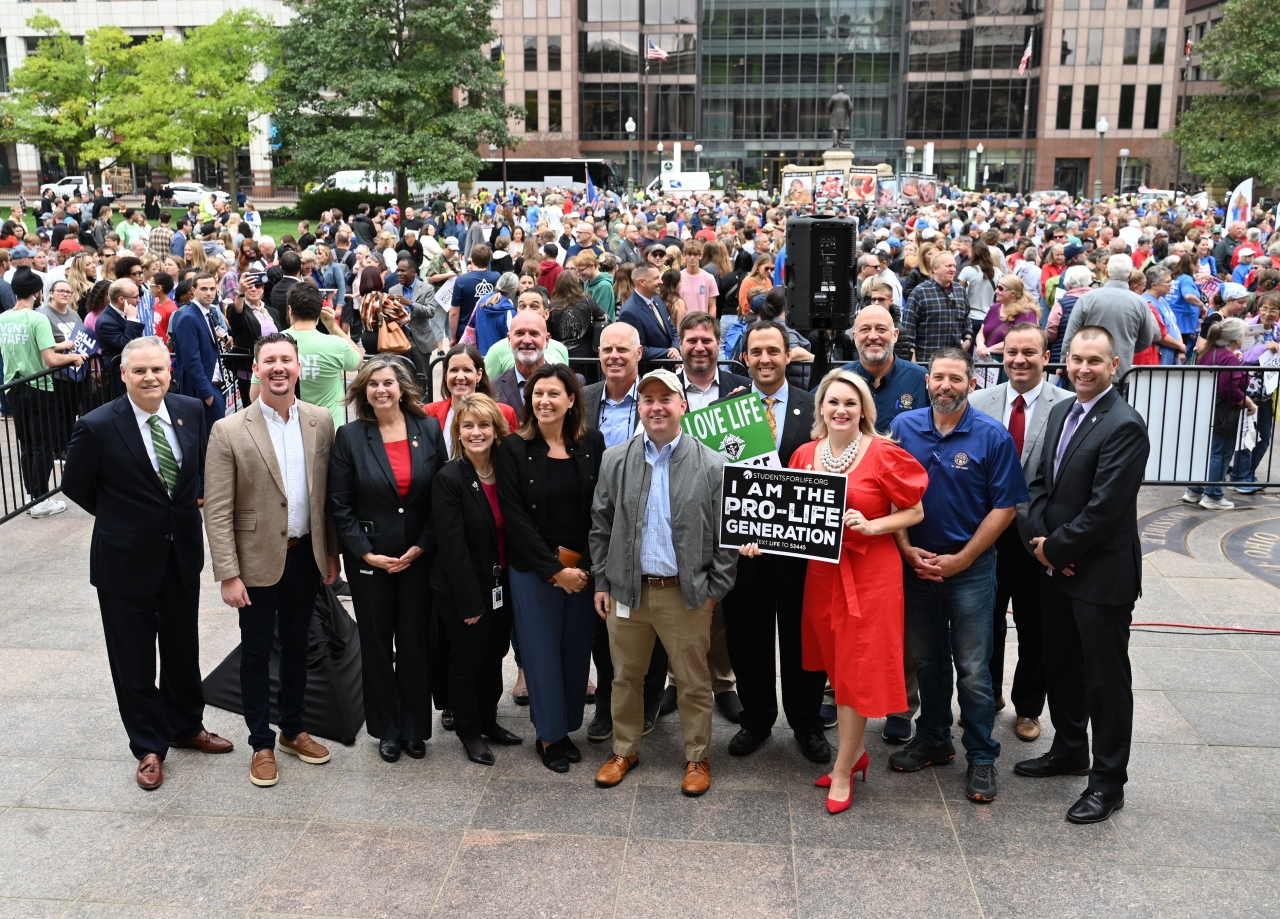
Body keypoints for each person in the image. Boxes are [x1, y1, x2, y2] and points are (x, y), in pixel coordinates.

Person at [62, 337, 233, 789]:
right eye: (139, 371)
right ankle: (148, 747)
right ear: (123, 375)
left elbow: (193, 474)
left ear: (169, 371)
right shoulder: (97, 425)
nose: (150, 378)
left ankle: (185, 727)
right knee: (133, 659)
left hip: (180, 554)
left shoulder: (190, 410)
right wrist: (123, 518)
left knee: (182, 648)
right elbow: (77, 486)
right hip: (124, 562)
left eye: (157, 369)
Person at [1018, 326, 1149, 825]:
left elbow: (1106, 509)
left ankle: (1108, 782)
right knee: (1062, 667)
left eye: (1095, 361)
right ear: (1065, 361)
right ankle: (1069, 749)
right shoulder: (1058, 411)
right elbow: (1036, 487)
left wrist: (1057, 548)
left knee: (1105, 682)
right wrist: (1044, 547)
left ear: (1114, 366)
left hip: (1101, 576)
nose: (1083, 369)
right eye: (1076, 359)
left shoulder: (1124, 424)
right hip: (1057, 567)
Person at [780, 369, 927, 812]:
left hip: (871, 575)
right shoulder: (805, 454)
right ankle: (856, 753)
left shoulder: (883, 453)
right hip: (823, 577)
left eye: (850, 402)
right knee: (836, 668)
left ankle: (844, 768)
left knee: (856, 672)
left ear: (864, 408)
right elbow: (788, 518)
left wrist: (872, 525)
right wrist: (757, 538)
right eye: (833, 402)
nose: (841, 410)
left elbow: (915, 511)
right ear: (820, 408)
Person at [588, 369, 738, 796]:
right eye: (648, 399)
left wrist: (715, 590)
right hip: (627, 592)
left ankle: (697, 757)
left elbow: (727, 534)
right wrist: (602, 580)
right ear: (640, 406)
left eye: (666, 399)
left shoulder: (712, 463)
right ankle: (624, 749)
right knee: (625, 677)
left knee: (693, 682)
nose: (657, 406)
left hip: (685, 594)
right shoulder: (615, 459)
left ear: (682, 405)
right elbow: (600, 525)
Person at [888, 347, 1027, 803]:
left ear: (971, 383)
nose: (946, 385)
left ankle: (982, 754)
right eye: (938, 377)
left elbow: (1005, 507)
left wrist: (964, 558)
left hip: (969, 569)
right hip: (918, 566)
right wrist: (906, 549)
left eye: (956, 378)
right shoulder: (904, 428)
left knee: (972, 668)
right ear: (926, 381)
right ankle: (933, 737)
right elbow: (891, 495)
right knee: (927, 659)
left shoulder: (992, 436)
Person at [203, 332, 342, 788]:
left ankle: (293, 729)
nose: (278, 368)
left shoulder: (322, 421)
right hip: (257, 562)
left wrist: (332, 555)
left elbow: (327, 498)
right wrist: (228, 573)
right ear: (257, 369)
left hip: (306, 557)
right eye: (270, 361)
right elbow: (218, 508)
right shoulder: (228, 429)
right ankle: (261, 741)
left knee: (300, 644)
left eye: (286, 360)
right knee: (257, 650)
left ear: (299, 367)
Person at [718, 320, 832, 764]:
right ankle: (757, 719)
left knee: (804, 642)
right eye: (756, 351)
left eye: (773, 351)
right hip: (745, 554)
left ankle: (806, 725)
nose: (764, 359)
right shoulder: (728, 412)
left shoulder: (815, 408)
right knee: (747, 639)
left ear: (789, 356)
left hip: (802, 556)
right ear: (744, 358)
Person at [328, 355, 446, 763]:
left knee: (414, 641)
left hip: (418, 557)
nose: (381, 389)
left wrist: (423, 545)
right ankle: (386, 729)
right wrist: (365, 552)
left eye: (388, 383)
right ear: (363, 391)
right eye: (373, 384)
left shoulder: (429, 430)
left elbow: (441, 498)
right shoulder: (350, 436)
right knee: (376, 643)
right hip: (369, 561)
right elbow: (339, 503)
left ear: (402, 388)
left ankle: (415, 728)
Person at [497, 363, 605, 773]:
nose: (544, 400)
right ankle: (547, 735)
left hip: (581, 571)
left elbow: (601, 509)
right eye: (537, 394)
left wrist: (584, 568)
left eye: (553, 394)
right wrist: (553, 570)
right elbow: (515, 517)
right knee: (541, 654)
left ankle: (566, 728)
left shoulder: (591, 442)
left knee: (575, 652)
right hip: (534, 571)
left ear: (572, 399)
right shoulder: (514, 448)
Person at [969, 323, 1073, 743]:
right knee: (983, 623)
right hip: (985, 534)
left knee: (1036, 627)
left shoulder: (1067, 406)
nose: (1019, 360)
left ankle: (1029, 708)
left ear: (1046, 357)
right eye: (1012, 352)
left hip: (1037, 540)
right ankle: (987, 696)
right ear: (1002, 354)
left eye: (1030, 352)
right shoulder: (978, 401)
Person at [834, 303, 929, 742]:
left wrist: (895, 527)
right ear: (854, 336)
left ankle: (900, 705)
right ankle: (838, 693)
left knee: (896, 625)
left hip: (902, 505)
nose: (874, 335)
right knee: (841, 619)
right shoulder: (842, 378)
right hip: (850, 519)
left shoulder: (917, 379)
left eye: (881, 328)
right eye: (865, 329)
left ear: (896, 333)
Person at [431, 393, 525, 765]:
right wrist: (470, 602)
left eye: (483, 424)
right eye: (467, 425)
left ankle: (489, 720)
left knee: (495, 654)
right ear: (458, 431)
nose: (476, 432)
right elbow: (452, 549)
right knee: (468, 660)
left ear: (497, 429)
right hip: (464, 590)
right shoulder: (449, 478)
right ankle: (469, 731)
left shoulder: (506, 470)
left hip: (502, 584)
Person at [0, 267, 86, 517]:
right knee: (43, 445)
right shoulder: (38, 318)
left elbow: (26, 344)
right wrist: (72, 357)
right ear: (38, 292)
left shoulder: (4, 317)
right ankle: (39, 499)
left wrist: (59, 345)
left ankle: (31, 494)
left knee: (27, 443)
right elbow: (50, 360)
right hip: (37, 387)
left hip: (12, 387)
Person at [249, 283, 361, 429]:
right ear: (319, 311)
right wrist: (332, 326)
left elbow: (255, 396)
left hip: (284, 430)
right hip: (328, 431)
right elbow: (358, 359)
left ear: (290, 310)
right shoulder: (336, 345)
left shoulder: (269, 345)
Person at [1181, 317, 1256, 510]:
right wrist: (1247, 401)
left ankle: (1194, 490)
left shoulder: (1208, 352)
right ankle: (1213, 495)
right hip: (1222, 413)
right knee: (1220, 453)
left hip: (1205, 408)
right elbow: (1229, 389)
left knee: (1205, 451)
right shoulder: (1227, 357)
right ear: (1237, 339)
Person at [1062, 255, 1159, 377]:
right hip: (1120, 372)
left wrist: (1064, 363)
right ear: (1129, 276)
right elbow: (1146, 339)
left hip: (1086, 371)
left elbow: (1071, 335)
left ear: (1107, 272)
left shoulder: (1088, 298)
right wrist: (1125, 349)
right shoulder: (1140, 302)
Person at [425, 343, 518, 453]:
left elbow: (512, 456)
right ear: (446, 376)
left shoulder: (504, 413)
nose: (460, 377)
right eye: (454, 370)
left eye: (467, 370)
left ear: (479, 375)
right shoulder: (429, 413)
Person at [169, 272, 227, 432]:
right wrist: (207, 394)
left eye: (212, 289)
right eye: (204, 289)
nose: (209, 293)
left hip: (213, 386)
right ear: (193, 291)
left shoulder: (207, 314)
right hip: (203, 390)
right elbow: (191, 360)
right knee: (212, 439)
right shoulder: (189, 318)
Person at [483, 288, 571, 378]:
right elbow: (488, 387)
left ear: (546, 313)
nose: (527, 311)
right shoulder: (497, 351)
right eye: (522, 306)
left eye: (534, 307)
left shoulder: (561, 349)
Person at [898, 251, 969, 361]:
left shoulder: (960, 290)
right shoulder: (920, 292)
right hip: (927, 360)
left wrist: (967, 339)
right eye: (948, 266)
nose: (953, 269)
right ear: (935, 269)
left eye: (954, 266)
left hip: (955, 360)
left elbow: (966, 319)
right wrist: (913, 361)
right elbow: (909, 329)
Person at [674, 312, 752, 411]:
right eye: (692, 341)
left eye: (706, 341)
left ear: (718, 343)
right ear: (680, 343)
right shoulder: (665, 390)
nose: (699, 348)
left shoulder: (747, 389)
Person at [386, 256, 438, 381]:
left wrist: (411, 304)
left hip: (420, 341)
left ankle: (424, 401)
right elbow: (389, 316)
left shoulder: (427, 288)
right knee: (403, 379)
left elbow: (431, 311)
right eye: (398, 270)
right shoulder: (393, 290)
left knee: (423, 379)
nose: (399, 273)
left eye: (403, 271)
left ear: (413, 272)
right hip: (399, 341)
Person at [618, 264, 680, 361]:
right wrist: (668, 353)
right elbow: (636, 349)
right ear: (642, 282)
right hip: (649, 373)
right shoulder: (629, 312)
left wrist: (675, 348)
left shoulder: (657, 299)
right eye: (656, 278)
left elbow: (671, 329)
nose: (661, 281)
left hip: (667, 369)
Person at [974, 276, 1041, 361]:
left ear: (1013, 293)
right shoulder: (995, 307)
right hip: (988, 360)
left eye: (1000, 288)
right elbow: (981, 332)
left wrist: (989, 349)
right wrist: (980, 345)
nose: (996, 291)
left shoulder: (1027, 313)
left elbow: (1019, 340)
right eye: (997, 287)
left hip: (1010, 363)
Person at [96, 278, 145, 389]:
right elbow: (128, 345)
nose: (139, 300)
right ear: (122, 299)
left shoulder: (125, 311)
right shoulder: (105, 322)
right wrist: (132, 319)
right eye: (135, 297)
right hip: (119, 377)